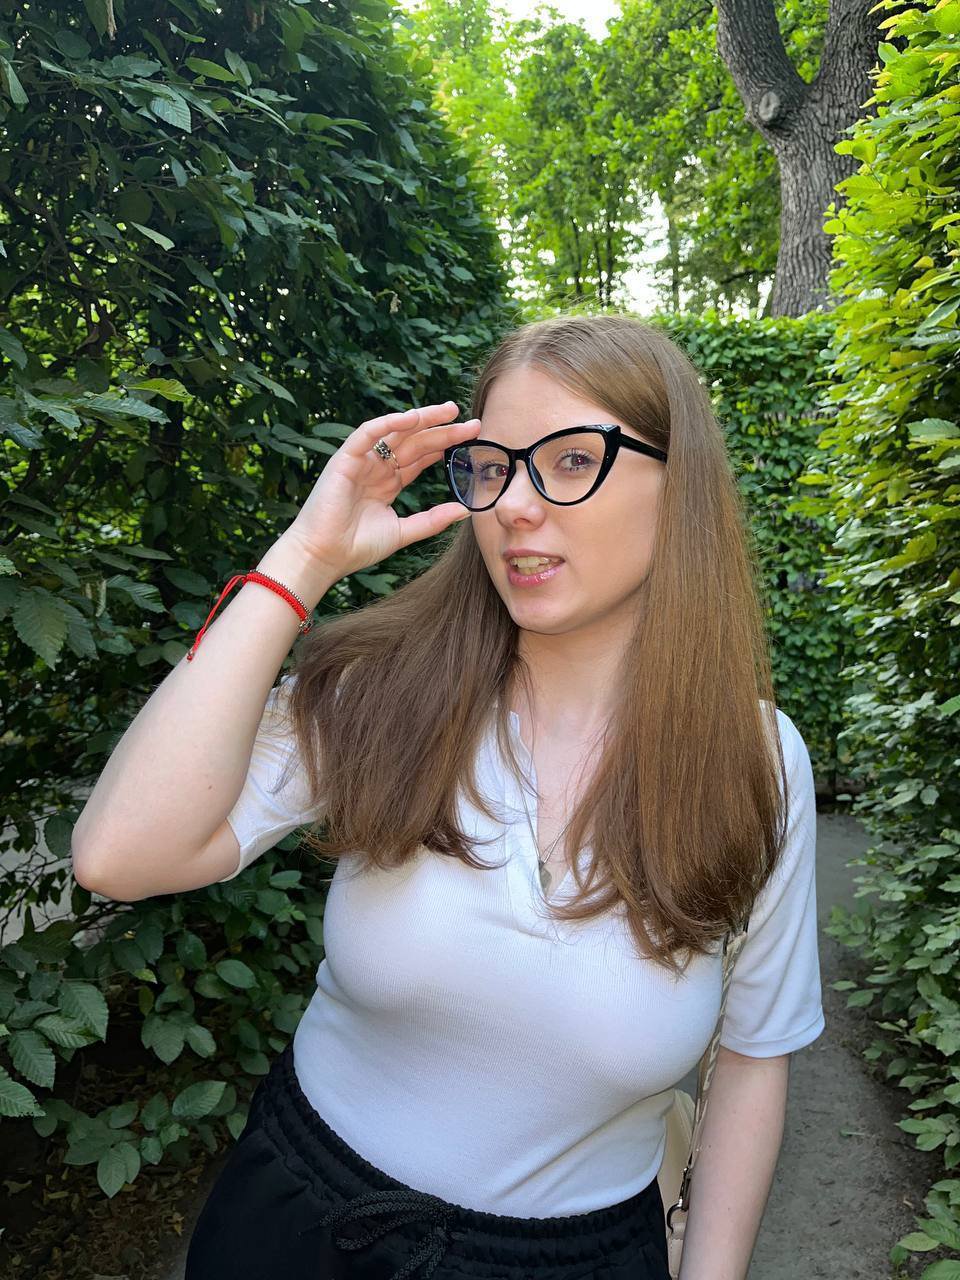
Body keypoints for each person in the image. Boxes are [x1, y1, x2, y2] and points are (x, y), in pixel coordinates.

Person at [72, 313, 825, 1280]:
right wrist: (303, 558)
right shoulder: (388, 692)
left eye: (570, 459)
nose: (515, 506)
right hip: (299, 1230)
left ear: (679, 486)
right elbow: (120, 855)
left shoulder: (757, 762)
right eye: (494, 468)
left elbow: (755, 1059)